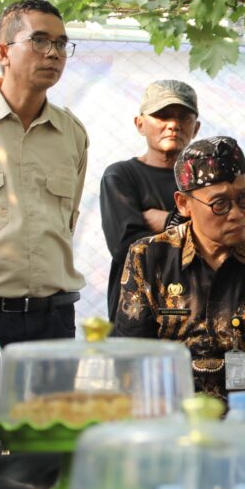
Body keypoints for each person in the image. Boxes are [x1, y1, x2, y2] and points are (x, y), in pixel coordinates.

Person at [113, 136, 245, 416]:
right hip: (173, 421)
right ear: (184, 204)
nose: (237, 214)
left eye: (243, 198)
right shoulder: (148, 259)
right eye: (220, 204)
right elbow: (131, 359)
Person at [0, 0, 88, 347]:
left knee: (54, 405)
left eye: (61, 43)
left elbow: (68, 223)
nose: (54, 53)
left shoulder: (72, 134)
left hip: (55, 319)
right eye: (40, 40)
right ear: (3, 52)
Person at [100, 80, 200, 322]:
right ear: (140, 124)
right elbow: (128, 250)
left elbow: (222, 240)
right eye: (162, 116)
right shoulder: (121, 176)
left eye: (183, 117)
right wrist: (187, 224)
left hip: (197, 314)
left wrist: (165, 220)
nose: (173, 125)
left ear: (196, 128)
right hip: (138, 313)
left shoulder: (204, 180)